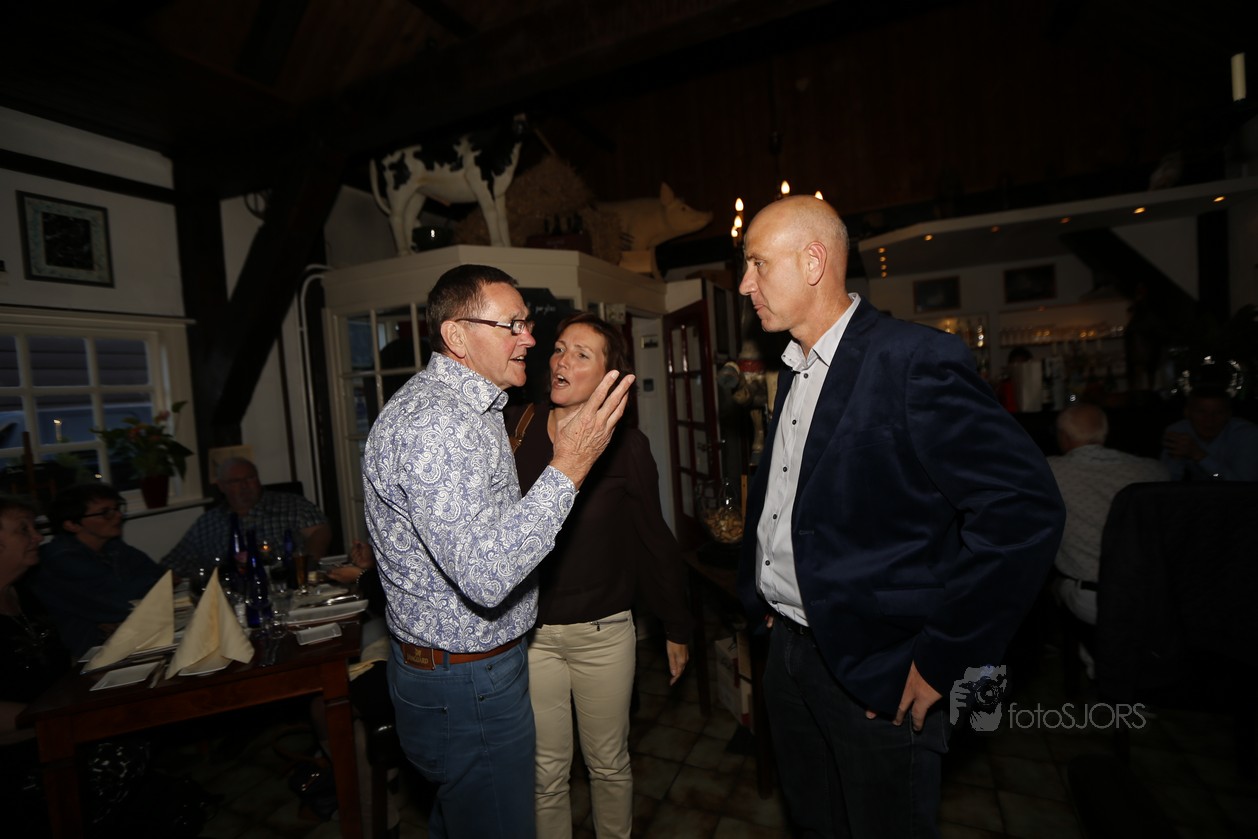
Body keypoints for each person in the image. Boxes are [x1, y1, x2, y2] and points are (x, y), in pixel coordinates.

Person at [735, 196, 1064, 837]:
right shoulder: (796, 368)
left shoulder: (912, 360)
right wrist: (765, 600)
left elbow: (1023, 510)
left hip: (879, 667)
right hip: (789, 655)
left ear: (813, 261)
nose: (746, 285)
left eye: (757, 264)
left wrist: (946, 656)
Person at [361, 264, 634, 838]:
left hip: (470, 671)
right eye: (512, 325)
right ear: (457, 336)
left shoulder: (476, 409)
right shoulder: (438, 425)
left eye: (526, 323)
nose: (529, 339)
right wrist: (570, 464)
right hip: (466, 683)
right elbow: (487, 577)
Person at [509, 313, 690, 839]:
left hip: (603, 634)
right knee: (546, 773)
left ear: (610, 376)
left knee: (608, 764)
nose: (561, 361)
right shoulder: (516, 429)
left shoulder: (626, 448)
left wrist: (676, 625)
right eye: (559, 348)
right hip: (532, 636)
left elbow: (654, 539)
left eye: (580, 354)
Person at [1049, 403, 1169, 626]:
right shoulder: (1155, 469)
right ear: (1103, 434)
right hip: (1156, 591)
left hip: (1095, 598)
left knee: (1053, 585)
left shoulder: (1048, 472)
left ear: (1064, 437)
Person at [0, 496, 70, 834]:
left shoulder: (23, 594)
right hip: (18, 757)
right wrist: (61, 721)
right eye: (23, 530)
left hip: (54, 730)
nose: (38, 537)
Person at [30, 483, 165, 657]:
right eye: (105, 512)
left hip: (122, 639)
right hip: (86, 655)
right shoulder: (59, 559)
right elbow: (120, 603)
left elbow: (160, 576)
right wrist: (118, 608)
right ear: (72, 524)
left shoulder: (113, 546)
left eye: (117, 508)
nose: (118, 516)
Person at [162, 457, 332, 576]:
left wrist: (307, 564)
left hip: (283, 581)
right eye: (235, 481)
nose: (244, 485)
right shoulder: (208, 522)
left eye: (250, 478)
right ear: (221, 486)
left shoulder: (290, 504)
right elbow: (173, 564)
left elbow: (320, 531)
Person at [1160, 386, 1258, 481]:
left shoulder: (1247, 435)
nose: (1209, 420)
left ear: (1229, 414)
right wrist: (1175, 459)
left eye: (1218, 413)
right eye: (1201, 412)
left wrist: (1200, 456)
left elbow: (1242, 486)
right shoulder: (1178, 432)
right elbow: (1167, 481)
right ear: (1187, 413)